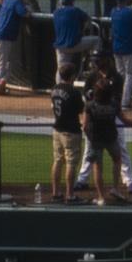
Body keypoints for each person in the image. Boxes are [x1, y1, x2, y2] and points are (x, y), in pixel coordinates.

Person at [78, 63, 132, 203]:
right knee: (117, 160)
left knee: (98, 167)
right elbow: (125, 120)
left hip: (96, 140)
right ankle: (115, 188)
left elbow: (84, 125)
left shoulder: (90, 105)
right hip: (111, 138)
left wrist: (90, 136)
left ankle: (101, 197)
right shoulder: (113, 104)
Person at [51, 61, 86, 203]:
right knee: (71, 162)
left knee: (58, 160)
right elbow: (81, 110)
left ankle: (56, 193)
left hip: (57, 129)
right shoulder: (74, 92)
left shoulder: (54, 89)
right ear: (72, 76)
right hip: (71, 131)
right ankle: (70, 195)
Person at [0, 0, 30, 96]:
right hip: (4, 35)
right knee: (2, 63)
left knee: (6, 63)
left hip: (1, 33)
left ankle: (1, 85)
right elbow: (25, 14)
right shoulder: (17, 2)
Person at [50, 0, 93, 76]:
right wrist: (84, 29)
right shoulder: (75, 10)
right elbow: (88, 19)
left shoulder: (56, 12)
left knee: (61, 70)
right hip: (74, 45)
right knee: (97, 40)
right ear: (72, 2)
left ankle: (59, 88)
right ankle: (93, 65)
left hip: (60, 47)